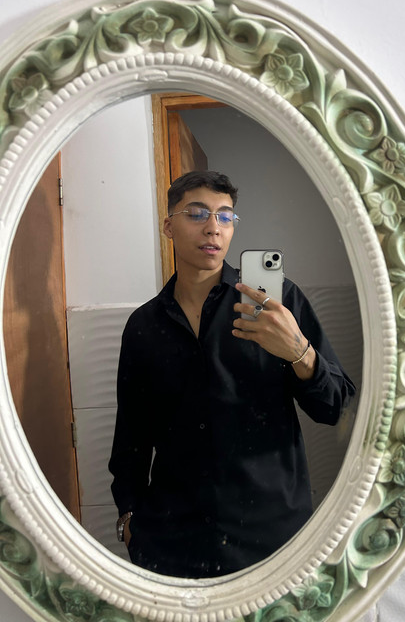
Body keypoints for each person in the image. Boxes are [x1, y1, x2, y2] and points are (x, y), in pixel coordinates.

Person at [108, 170, 355, 578]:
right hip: (173, 539)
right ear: (168, 226)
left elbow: (338, 407)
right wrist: (129, 519)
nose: (213, 228)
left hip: (271, 536)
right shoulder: (144, 325)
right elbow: (131, 438)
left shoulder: (278, 302)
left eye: (225, 216)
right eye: (197, 213)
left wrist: (299, 351)